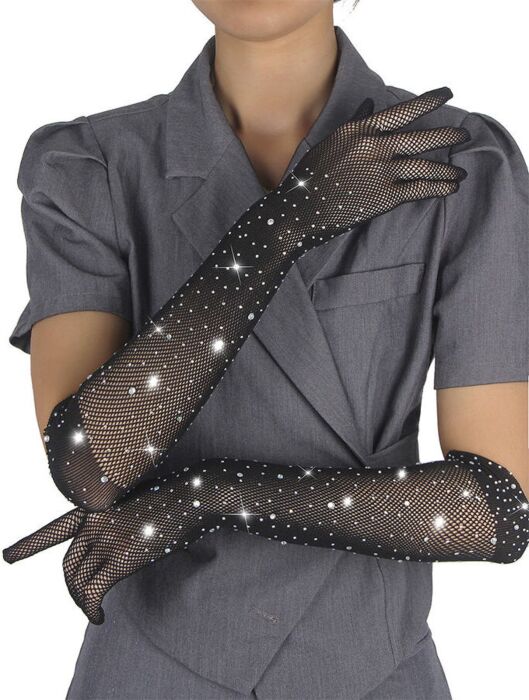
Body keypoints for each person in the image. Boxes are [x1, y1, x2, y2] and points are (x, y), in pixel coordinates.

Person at [6, 1, 528, 698]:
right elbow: (91, 467)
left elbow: (496, 509)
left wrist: (212, 495)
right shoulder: (89, 165)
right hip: (147, 664)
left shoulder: (460, 162)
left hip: (371, 667)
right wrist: (283, 225)